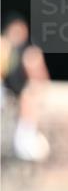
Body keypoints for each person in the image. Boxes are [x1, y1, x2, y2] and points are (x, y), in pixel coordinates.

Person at [0, 11, 50, 162]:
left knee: (29, 97)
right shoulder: (4, 46)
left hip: (20, 93)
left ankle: (24, 138)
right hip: (5, 90)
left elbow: (41, 78)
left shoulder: (29, 53)